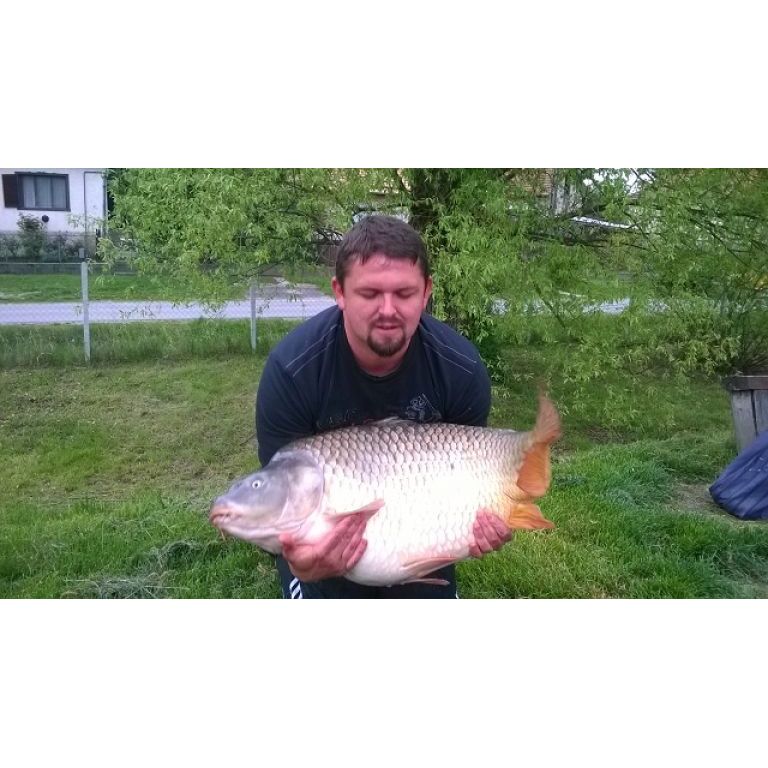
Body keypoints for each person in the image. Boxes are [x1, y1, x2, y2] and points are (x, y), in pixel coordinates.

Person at [255, 215, 512, 598]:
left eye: (404, 294)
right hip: (320, 549)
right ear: (339, 292)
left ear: (426, 293)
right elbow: (275, 507)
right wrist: (302, 563)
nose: (388, 310)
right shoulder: (292, 372)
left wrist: (487, 519)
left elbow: (469, 488)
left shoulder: (461, 370)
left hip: (419, 535)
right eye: (370, 293)